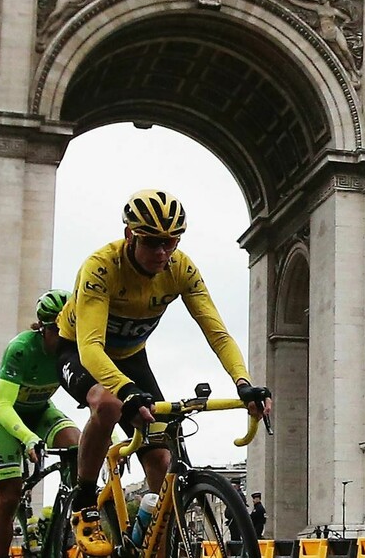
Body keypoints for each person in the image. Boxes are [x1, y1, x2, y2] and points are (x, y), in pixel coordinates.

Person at [55, 189, 273, 556]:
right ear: (130, 235)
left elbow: (217, 333)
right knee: (107, 404)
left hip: (131, 357)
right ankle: (85, 500)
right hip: (78, 350)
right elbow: (91, 347)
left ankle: (156, 543)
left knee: (160, 458)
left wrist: (244, 383)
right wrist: (126, 390)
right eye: (152, 242)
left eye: (170, 242)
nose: (162, 252)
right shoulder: (101, 266)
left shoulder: (180, 268)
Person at [0, 289, 81, 558]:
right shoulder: (21, 349)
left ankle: (62, 521)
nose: (65, 337)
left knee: (79, 446)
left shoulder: (74, 348)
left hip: (40, 411)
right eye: (58, 331)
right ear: (43, 328)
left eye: (70, 329)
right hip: (6, 415)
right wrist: (27, 438)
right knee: (9, 496)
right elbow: (2, 406)